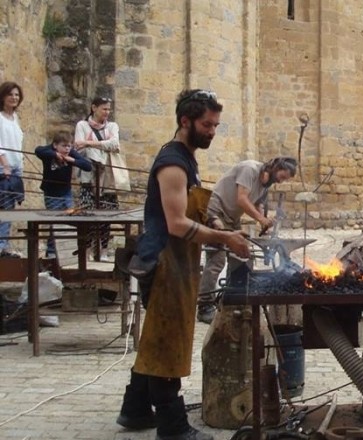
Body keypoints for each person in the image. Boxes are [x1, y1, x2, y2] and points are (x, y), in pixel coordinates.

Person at [116, 89, 250, 440]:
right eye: (207, 125)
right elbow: (176, 224)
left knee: (155, 337)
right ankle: (173, 429)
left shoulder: (188, 158)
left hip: (177, 260)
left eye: (216, 125)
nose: (212, 131)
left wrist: (222, 226)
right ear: (185, 121)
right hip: (163, 261)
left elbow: (193, 208)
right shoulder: (173, 163)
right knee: (167, 342)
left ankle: (135, 410)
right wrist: (226, 240)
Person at [197, 156, 297, 324]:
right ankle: (204, 306)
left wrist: (266, 221)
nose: (281, 181)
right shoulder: (249, 169)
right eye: (282, 177)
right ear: (276, 168)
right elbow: (242, 199)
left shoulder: (266, 184)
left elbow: (257, 204)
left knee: (243, 254)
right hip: (216, 211)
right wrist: (260, 218)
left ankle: (231, 297)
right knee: (217, 259)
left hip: (232, 218)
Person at [75, 96, 131, 259]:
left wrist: (89, 143)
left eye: (108, 109)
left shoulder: (112, 126)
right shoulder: (82, 125)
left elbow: (114, 144)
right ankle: (87, 250)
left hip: (107, 178)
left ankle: (104, 249)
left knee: (107, 215)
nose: (107, 112)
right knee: (87, 214)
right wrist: (97, 146)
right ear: (94, 108)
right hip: (89, 177)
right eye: (104, 108)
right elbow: (78, 146)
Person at [34, 132, 93, 258]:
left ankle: (67, 251)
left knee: (69, 219)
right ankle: (51, 251)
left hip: (66, 192)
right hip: (51, 192)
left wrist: (72, 160)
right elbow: (38, 150)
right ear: (55, 145)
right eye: (64, 146)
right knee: (54, 221)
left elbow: (88, 166)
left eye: (69, 146)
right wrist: (55, 154)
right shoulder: (49, 152)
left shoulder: (71, 154)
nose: (67, 148)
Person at [0, 81, 25, 257]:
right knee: (3, 209)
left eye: (17, 95)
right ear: (3, 96)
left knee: (9, 209)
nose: (14, 98)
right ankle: (1, 245)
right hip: (3, 169)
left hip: (15, 168)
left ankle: (4, 245)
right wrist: (5, 164)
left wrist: (19, 166)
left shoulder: (15, 118)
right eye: (11, 94)